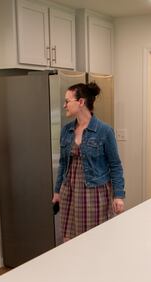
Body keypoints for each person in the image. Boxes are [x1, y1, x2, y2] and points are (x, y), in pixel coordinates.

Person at [52, 82, 125, 241]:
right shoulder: (66, 131)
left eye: (67, 101)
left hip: (94, 194)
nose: (64, 105)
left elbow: (115, 165)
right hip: (69, 192)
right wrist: (57, 192)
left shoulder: (104, 131)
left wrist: (118, 195)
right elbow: (64, 164)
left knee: (94, 240)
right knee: (69, 240)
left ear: (81, 102)